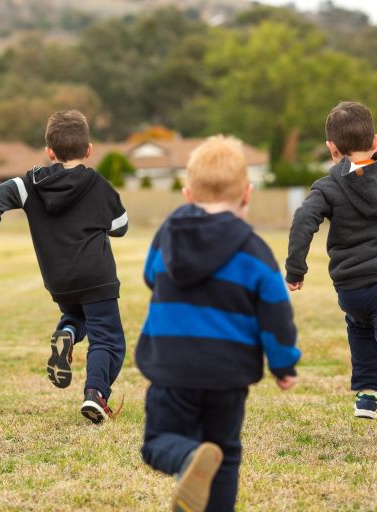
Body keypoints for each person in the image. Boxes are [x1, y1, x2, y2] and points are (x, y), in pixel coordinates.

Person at [136, 135, 300, 512]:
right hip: (228, 376)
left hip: (172, 370)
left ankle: (185, 457)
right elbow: (276, 315)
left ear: (187, 193)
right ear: (247, 193)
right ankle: (198, 466)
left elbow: (150, 276)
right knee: (224, 455)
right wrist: (283, 364)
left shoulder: (167, 236)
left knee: (159, 441)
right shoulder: (256, 251)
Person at [285, 101, 377, 461]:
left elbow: (304, 221)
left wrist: (295, 269)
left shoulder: (327, 186)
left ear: (332, 148)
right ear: (376, 139)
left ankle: (366, 392)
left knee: (359, 325)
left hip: (351, 286)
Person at [0, 110, 128, 424]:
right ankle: (95, 395)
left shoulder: (32, 182)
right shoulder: (97, 184)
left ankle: (68, 334)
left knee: (77, 314)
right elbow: (121, 225)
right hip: (96, 275)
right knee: (107, 339)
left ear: (49, 151)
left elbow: (2, 192)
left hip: (60, 279)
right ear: (88, 150)